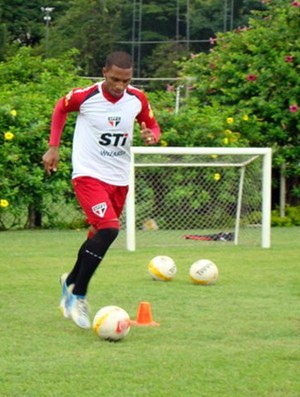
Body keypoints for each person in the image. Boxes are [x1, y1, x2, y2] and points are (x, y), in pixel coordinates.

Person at [42, 51, 160, 329]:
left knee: (98, 235)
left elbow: (153, 125)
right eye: (116, 79)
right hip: (88, 174)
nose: (120, 86)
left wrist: (151, 135)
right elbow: (60, 108)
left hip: (119, 178)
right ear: (104, 72)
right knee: (109, 229)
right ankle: (78, 296)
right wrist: (53, 146)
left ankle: (69, 281)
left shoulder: (137, 99)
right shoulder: (85, 96)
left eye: (126, 80)